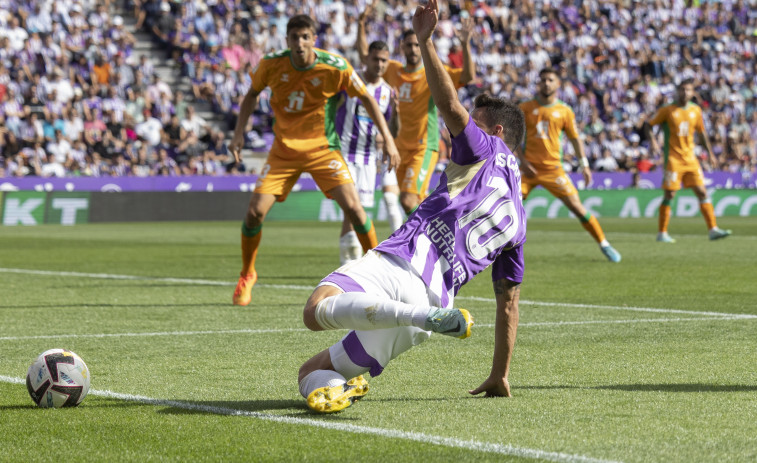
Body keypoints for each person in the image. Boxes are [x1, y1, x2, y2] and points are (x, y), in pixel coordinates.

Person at [297, 0, 526, 413]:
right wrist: (500, 373)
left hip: (403, 262)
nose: (462, 131)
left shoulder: (487, 147)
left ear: (495, 131)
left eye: (474, 123)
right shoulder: (520, 223)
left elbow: (451, 108)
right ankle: (343, 385)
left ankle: (416, 316)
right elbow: (508, 304)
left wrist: (425, 42)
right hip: (439, 297)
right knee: (311, 373)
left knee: (314, 311)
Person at [227, 15, 400, 306]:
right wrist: (238, 134)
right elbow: (251, 95)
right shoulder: (271, 65)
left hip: (323, 149)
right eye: (294, 37)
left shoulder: (335, 66)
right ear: (287, 40)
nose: (299, 43)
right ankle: (247, 273)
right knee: (255, 212)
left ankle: (381, 276)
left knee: (356, 211)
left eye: (305, 37)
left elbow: (368, 98)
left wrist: (389, 137)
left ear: (313, 40)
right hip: (284, 151)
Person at [357, 4, 476, 215]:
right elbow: (366, 58)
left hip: (424, 146)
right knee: (416, 200)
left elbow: (466, 77)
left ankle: (428, 236)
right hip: (399, 147)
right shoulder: (392, 70)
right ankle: (437, 232)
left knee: (407, 198)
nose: (413, 49)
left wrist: (465, 45)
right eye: (409, 45)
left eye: (416, 45)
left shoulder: (433, 74)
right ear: (402, 46)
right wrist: (360, 24)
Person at [519, 68, 622, 263]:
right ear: (538, 84)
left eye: (550, 80)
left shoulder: (565, 111)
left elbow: (575, 139)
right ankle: (492, 252)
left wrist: (584, 165)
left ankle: (604, 244)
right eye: (543, 80)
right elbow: (513, 138)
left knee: (577, 207)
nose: (546, 83)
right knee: (506, 206)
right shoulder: (525, 108)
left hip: (554, 170)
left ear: (558, 84)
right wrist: (522, 163)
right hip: (527, 170)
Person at [335, 37, 402, 264]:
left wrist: (396, 111)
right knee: (353, 209)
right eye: (376, 59)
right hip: (344, 153)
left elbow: (391, 130)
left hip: (368, 158)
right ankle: (348, 264)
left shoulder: (387, 92)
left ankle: (350, 262)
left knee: (359, 210)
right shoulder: (351, 82)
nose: (380, 65)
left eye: (384, 60)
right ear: (367, 59)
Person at [644, 78, 732, 243]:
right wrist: (654, 141)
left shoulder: (696, 110)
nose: (685, 93)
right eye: (682, 89)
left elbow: (702, 133)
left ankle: (713, 229)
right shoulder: (667, 110)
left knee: (702, 192)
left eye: (688, 90)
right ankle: (662, 233)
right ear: (678, 91)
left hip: (690, 159)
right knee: (670, 193)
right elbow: (648, 124)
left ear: (693, 92)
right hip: (673, 159)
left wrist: (711, 154)